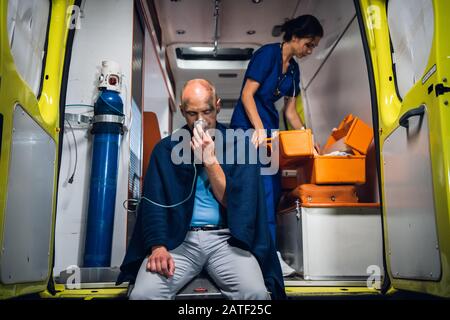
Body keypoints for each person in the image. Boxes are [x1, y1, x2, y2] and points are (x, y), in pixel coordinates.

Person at [117, 79, 285, 300]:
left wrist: (210, 160)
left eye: (207, 112)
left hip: (226, 240)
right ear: (182, 111)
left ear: (218, 105)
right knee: (142, 294)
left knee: (255, 293)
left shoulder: (240, 146)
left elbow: (236, 203)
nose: (200, 121)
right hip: (179, 241)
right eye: (192, 114)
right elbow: (154, 204)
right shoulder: (165, 150)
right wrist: (158, 246)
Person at [230, 15, 323, 276]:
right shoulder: (266, 55)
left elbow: (291, 112)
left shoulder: (293, 69)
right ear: (294, 37)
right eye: (309, 44)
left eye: (313, 46)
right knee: (250, 191)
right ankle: (245, 254)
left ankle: (271, 255)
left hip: (269, 130)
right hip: (247, 126)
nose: (309, 50)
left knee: (272, 189)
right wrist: (258, 128)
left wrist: (308, 138)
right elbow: (247, 94)